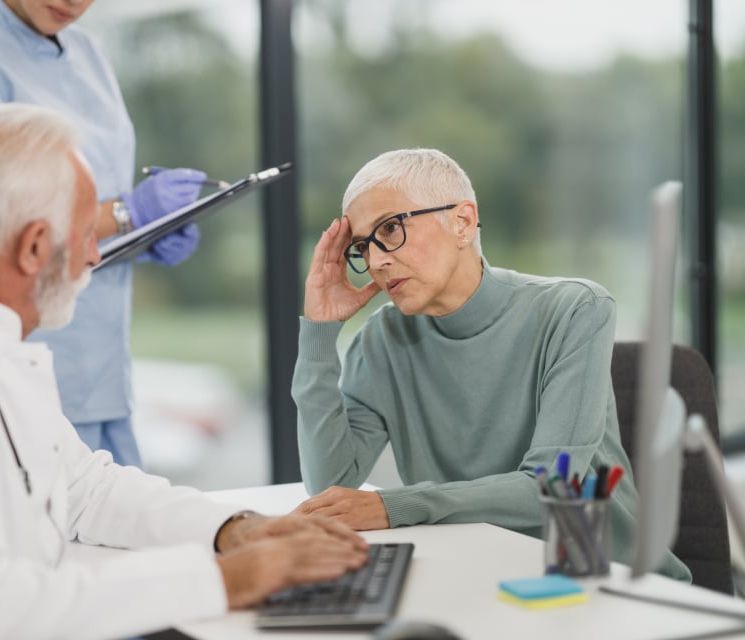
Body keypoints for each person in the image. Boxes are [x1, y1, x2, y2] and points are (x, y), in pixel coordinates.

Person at [0, 104, 369, 640]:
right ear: (35, 247)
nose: (95, 255)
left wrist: (233, 529)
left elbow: (83, 488)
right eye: (87, 233)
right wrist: (226, 580)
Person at [289, 148, 690, 581]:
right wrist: (319, 332)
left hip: (606, 582)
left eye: (389, 228)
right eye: (362, 246)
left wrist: (399, 505)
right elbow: (331, 484)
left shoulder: (575, 308)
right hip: (480, 572)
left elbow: (550, 484)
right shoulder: (382, 338)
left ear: (461, 222)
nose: (376, 261)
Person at [0, 0, 209, 467]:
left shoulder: (88, 52)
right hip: (28, 362)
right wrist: (127, 212)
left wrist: (142, 236)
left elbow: (81, 201)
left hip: (103, 368)